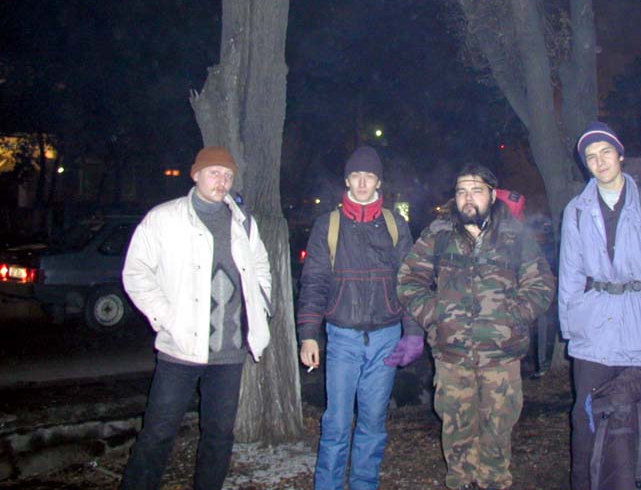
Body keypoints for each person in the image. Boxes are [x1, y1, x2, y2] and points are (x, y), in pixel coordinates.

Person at [120, 146, 273, 490]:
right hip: (180, 349)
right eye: (214, 172)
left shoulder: (243, 222)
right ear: (196, 174)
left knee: (219, 435)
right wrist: (166, 316)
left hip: (229, 352)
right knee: (158, 433)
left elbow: (261, 266)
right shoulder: (165, 218)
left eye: (228, 175)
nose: (222, 181)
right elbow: (136, 272)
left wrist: (260, 306)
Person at [397, 163, 555, 490]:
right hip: (451, 356)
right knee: (456, 435)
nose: (468, 198)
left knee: (497, 433)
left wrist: (513, 317)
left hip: (501, 357)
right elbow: (409, 279)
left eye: (476, 191)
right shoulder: (438, 234)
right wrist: (435, 315)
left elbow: (541, 285)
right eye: (462, 192)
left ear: (492, 196)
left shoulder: (515, 236)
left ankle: (494, 482)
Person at [558, 122, 641, 490]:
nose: (599, 162)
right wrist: (573, 330)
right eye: (590, 157)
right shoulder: (576, 211)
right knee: (587, 422)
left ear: (620, 156)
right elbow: (570, 275)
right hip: (594, 336)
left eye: (605, 153)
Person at [297, 145, 423, 490]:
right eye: (356, 175)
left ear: (379, 181)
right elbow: (314, 282)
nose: (363, 182)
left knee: (373, 423)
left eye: (369, 176)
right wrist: (309, 334)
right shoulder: (329, 225)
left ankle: (365, 484)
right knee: (336, 423)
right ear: (347, 180)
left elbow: (410, 282)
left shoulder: (395, 225)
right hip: (342, 337)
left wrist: (413, 332)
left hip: (386, 337)